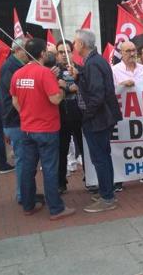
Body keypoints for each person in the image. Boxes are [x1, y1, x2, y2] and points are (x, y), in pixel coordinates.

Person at [10, 38, 75, 220]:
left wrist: (27, 113)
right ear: (42, 54)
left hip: (27, 128)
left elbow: (15, 101)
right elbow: (55, 98)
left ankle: (28, 204)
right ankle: (56, 208)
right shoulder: (44, 73)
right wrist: (62, 89)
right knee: (49, 169)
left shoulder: (18, 74)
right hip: (46, 128)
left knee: (28, 169)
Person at [72, 30, 123, 213]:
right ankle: (106, 191)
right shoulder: (94, 61)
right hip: (101, 117)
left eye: (76, 41)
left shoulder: (93, 63)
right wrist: (79, 77)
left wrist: (87, 115)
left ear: (82, 45)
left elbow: (97, 95)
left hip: (97, 119)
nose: (73, 44)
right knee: (103, 156)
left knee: (100, 158)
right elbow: (91, 88)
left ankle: (107, 197)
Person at [0, 37, 36, 205]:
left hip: (18, 119)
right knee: (23, 159)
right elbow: (17, 95)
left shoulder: (16, 66)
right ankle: (24, 195)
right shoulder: (10, 67)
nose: (29, 54)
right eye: (27, 50)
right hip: (16, 120)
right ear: (18, 50)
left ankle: (27, 193)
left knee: (27, 159)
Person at [111, 40, 143, 188]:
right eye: (128, 51)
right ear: (121, 54)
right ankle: (119, 179)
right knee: (122, 147)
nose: (132, 54)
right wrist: (122, 85)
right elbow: (110, 92)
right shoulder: (114, 70)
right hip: (123, 117)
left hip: (142, 116)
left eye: (133, 50)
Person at [55, 40, 84, 194]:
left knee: (84, 149)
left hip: (79, 115)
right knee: (61, 151)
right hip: (60, 117)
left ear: (72, 52)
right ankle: (61, 182)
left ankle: (90, 179)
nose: (64, 55)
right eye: (60, 52)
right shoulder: (53, 72)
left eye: (67, 51)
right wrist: (67, 87)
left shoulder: (80, 69)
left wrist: (73, 85)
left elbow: (85, 88)